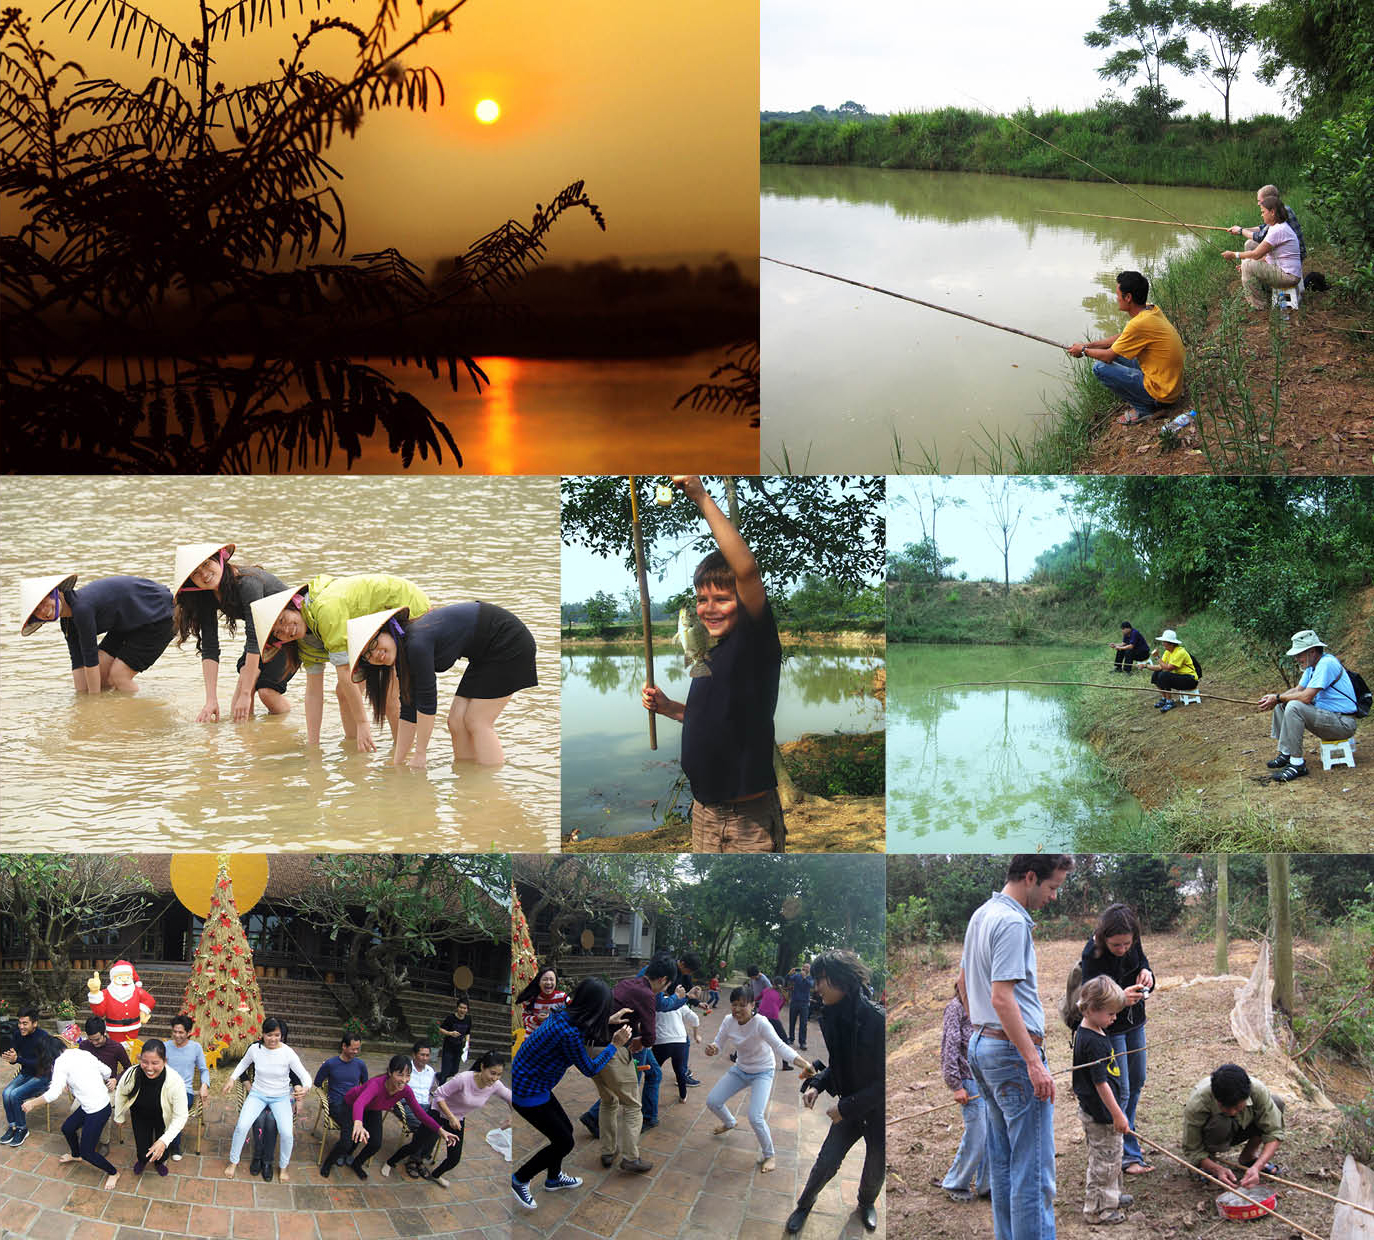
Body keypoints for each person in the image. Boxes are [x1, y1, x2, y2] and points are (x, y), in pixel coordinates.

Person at [641, 474, 786, 852]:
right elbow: (713, 719)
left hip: (748, 819)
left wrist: (701, 496)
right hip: (704, 814)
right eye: (701, 599)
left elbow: (747, 571)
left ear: (745, 601)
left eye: (722, 598)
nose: (708, 608)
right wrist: (669, 707)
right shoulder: (709, 655)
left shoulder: (754, 643)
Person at [963, 853, 1075, 1240]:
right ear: (1030, 877)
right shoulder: (1011, 922)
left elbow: (963, 984)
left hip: (983, 1047)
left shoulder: (983, 913)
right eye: (1052, 887)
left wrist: (981, 1035)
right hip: (1010, 1054)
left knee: (1006, 1160)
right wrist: (1033, 1061)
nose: (1054, 896)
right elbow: (1002, 998)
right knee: (1033, 1172)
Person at [250, 573, 430, 751]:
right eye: (278, 633)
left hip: (403, 606)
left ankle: (403, 757)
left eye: (282, 620)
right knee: (344, 693)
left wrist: (362, 723)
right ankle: (356, 750)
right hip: (370, 630)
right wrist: (313, 747)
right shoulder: (306, 640)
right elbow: (313, 692)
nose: (286, 629)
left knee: (391, 694)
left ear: (294, 604)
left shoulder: (325, 609)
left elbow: (345, 672)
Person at [348, 602, 537, 769]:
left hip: (508, 641)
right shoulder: (404, 656)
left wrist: (421, 754)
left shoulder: (416, 644)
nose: (375, 654)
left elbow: (427, 702)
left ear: (388, 630)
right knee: (456, 721)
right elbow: (409, 709)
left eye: (374, 643)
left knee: (477, 721)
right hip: (484, 654)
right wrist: (398, 763)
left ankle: (490, 788)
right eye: (367, 656)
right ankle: (468, 781)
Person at [509, 977, 634, 1209]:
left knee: (564, 1132)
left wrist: (607, 1020)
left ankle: (553, 1178)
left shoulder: (563, 1012)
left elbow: (582, 1026)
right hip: (527, 1092)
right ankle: (520, 1178)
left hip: (533, 1082)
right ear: (593, 1008)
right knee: (564, 1142)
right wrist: (614, 1044)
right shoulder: (569, 1034)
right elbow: (590, 1068)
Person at [785, 949, 884, 1235]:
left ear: (840, 979)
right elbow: (839, 1064)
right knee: (826, 1161)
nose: (816, 988)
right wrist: (818, 1084)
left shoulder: (878, 1021)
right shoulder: (830, 1016)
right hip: (850, 1109)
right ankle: (804, 1205)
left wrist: (845, 1107)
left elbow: (884, 1082)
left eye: (820, 981)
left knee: (876, 1166)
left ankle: (866, 1203)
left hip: (875, 1111)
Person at [170, 541, 295, 722]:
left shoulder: (247, 583)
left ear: (221, 558)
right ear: (191, 581)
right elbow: (210, 647)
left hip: (290, 631)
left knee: (266, 693)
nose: (204, 574)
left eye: (206, 564)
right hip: (265, 635)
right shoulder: (206, 596)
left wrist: (246, 693)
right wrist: (210, 700)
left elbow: (254, 639)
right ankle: (248, 742)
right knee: (240, 700)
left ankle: (289, 725)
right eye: (196, 573)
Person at [704, 986, 812, 1175]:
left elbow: (779, 1046)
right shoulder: (729, 1021)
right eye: (734, 1005)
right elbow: (719, 1043)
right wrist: (713, 1048)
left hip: (763, 1071)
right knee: (713, 1101)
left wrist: (803, 1063)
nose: (737, 1009)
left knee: (755, 1116)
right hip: (740, 1069)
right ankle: (730, 1122)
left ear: (753, 1005)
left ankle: (770, 1154)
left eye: (742, 1005)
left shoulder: (761, 1023)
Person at [1080, 904, 1155, 1175]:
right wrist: (1120, 998)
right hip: (1110, 1029)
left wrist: (1148, 977)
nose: (1123, 949)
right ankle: (1125, 1154)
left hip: (1135, 1023)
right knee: (1120, 1089)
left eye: (1127, 944)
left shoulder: (1132, 942)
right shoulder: (1093, 953)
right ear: (1103, 939)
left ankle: (1128, 1137)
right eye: (1116, 945)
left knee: (1137, 1081)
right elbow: (1090, 998)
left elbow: (1143, 965)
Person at [19, 572, 174, 692]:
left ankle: (137, 717)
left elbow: (90, 658)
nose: (44, 610)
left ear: (55, 593)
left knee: (119, 675)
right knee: (100, 677)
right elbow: (78, 662)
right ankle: (115, 707)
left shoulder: (81, 608)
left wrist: (94, 705)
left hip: (159, 615)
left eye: (43, 602)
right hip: (127, 622)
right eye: (37, 611)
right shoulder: (67, 622)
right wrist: (81, 699)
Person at [1067, 271, 1185, 426]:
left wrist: (1083, 352)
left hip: (1163, 394)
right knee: (1118, 354)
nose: (1116, 299)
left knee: (1100, 368)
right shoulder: (1151, 310)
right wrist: (1088, 345)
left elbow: (1108, 356)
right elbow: (1121, 338)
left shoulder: (1138, 324)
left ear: (1128, 298)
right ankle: (1148, 399)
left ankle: (1144, 408)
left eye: (1118, 295)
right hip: (1171, 385)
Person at [595, 954, 674, 1174]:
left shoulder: (627, 983)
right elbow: (650, 1035)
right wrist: (640, 1041)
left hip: (591, 1048)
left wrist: (637, 1037)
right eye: (666, 986)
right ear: (663, 979)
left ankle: (608, 1151)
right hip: (612, 1049)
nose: (662, 991)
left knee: (608, 1100)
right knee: (632, 1106)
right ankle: (631, 1157)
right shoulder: (646, 993)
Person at [1257, 629, 1361, 784]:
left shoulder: (1326, 664)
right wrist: (1276, 698)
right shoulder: (1313, 666)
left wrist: (1278, 697)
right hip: (1329, 718)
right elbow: (1298, 690)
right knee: (1283, 705)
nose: (1297, 659)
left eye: (1299, 654)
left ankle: (1297, 764)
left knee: (1294, 706)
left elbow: (1306, 697)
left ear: (1312, 652)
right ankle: (1286, 753)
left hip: (1343, 724)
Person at [331, 1053, 457, 1180]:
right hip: (351, 1104)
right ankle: (335, 1159)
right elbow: (360, 1103)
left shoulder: (406, 1090)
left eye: (408, 1075)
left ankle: (356, 1164)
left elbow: (420, 1114)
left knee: (375, 1143)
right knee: (348, 1139)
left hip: (373, 1109)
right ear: (390, 1072)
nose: (404, 1080)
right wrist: (358, 1122)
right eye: (400, 1074)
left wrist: (440, 1130)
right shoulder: (376, 1084)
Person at [1072, 977, 1134, 1225]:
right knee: (1105, 1162)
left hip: (1104, 1112)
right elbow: (1100, 1083)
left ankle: (1112, 1196)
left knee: (1112, 1157)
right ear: (1091, 1010)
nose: (1115, 1018)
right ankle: (1099, 1210)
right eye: (1110, 1013)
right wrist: (1117, 1114)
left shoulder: (1093, 1030)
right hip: (1101, 1114)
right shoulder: (1092, 1042)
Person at [223, 1017, 311, 1180]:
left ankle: (283, 1167)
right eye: (269, 1035)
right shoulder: (255, 1049)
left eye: (277, 1035)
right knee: (242, 1126)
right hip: (257, 1094)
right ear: (262, 1034)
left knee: (286, 1133)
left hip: (280, 1097)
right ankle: (233, 1162)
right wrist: (231, 1078)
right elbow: (243, 1064)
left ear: (282, 1036)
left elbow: (304, 1075)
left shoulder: (287, 1052)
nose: (273, 1039)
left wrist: (305, 1088)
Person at [22, 1043, 119, 1188]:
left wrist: (32, 1103)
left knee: (88, 1152)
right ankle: (75, 1155)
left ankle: (113, 1173)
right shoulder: (82, 1053)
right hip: (90, 1105)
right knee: (68, 1128)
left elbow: (53, 1094)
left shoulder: (60, 1063)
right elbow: (107, 1071)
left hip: (98, 1110)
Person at [1182, 1064, 1284, 1189]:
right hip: (1215, 1133)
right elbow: (1192, 1149)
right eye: (1225, 1107)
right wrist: (1217, 1169)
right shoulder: (1198, 1101)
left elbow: (1274, 1131)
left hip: (1241, 1128)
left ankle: (1248, 1157)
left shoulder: (1257, 1090)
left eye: (1237, 1107)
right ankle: (1207, 1162)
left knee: (1276, 1103)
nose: (1232, 1112)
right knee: (1222, 1122)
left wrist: (1258, 1166)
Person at [428, 1050, 512, 1187]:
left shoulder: (495, 1085)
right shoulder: (464, 1079)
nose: (495, 1078)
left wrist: (512, 1116)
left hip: (457, 1120)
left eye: (499, 1075)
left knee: (454, 1159)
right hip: (438, 1112)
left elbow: (511, 1097)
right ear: (482, 1067)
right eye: (492, 1073)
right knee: (422, 1144)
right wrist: (451, 1117)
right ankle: (410, 1161)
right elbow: (438, 1095)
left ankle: (435, 1175)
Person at [939, 975, 988, 1204]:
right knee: (977, 1134)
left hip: (989, 1079)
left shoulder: (985, 1005)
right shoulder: (955, 1008)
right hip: (969, 1080)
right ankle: (955, 1182)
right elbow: (949, 1047)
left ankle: (987, 1185)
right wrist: (956, 1085)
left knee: (993, 1135)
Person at [111, 1039, 189, 1177]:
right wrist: (119, 1115)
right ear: (139, 1058)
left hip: (163, 1116)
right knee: (141, 1141)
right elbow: (121, 1092)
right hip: (139, 1114)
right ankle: (142, 1160)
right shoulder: (132, 1073)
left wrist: (164, 1141)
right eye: (145, 1062)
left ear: (164, 1061)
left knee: (161, 1144)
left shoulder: (175, 1082)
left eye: (155, 1063)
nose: (149, 1068)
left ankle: (159, 1162)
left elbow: (181, 1116)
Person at [1221, 191, 1303, 310]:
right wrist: (1245, 264)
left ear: (1272, 212)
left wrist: (1234, 254)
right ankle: (1260, 300)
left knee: (1248, 265)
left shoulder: (1277, 230)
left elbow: (1256, 253)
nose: (1262, 215)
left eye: (1263, 212)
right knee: (1247, 265)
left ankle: (1259, 306)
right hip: (1289, 274)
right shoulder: (1278, 227)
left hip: (1288, 277)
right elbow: (1265, 257)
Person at [0, 1008, 54, 1147]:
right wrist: (12, 1059)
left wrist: (18, 1059)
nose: (21, 1026)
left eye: (25, 1023)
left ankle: (22, 1129)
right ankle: (13, 1126)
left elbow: (43, 1064)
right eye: (20, 1023)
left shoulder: (43, 1037)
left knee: (15, 1095)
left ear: (34, 1023)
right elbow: (16, 1057)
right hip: (26, 1073)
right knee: (6, 1093)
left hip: (42, 1077)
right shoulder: (18, 1034)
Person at [384, 1040, 438, 1179]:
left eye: (427, 1055)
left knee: (437, 1127)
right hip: (406, 1104)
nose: (425, 1058)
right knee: (423, 1128)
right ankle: (415, 1161)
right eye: (422, 1055)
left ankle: (418, 1158)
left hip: (425, 1105)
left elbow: (433, 1090)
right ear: (414, 1054)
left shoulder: (430, 1071)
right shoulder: (405, 1069)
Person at [313, 1033, 368, 1167]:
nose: (356, 1052)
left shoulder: (360, 1064)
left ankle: (347, 1151)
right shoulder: (331, 1064)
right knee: (353, 1122)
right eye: (353, 1049)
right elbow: (317, 1082)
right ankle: (343, 1151)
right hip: (336, 1103)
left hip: (354, 1103)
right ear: (344, 1046)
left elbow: (366, 1085)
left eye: (358, 1049)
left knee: (363, 1120)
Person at [164, 1014, 210, 1161]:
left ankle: (173, 1146)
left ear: (189, 1032)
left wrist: (204, 1085)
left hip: (185, 1091)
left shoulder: (195, 1048)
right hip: (165, 1088)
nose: (177, 1035)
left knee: (175, 1110)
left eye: (181, 1032)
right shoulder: (165, 1047)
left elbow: (204, 1069)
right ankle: (164, 1142)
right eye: (175, 1032)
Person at [1228, 183, 1307, 263]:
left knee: (1251, 246)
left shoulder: (1280, 212)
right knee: (1250, 243)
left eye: (1259, 200)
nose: (1258, 204)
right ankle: (1250, 269)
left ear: (1269, 199)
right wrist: (1241, 229)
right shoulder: (1281, 209)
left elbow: (1260, 237)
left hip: (1294, 255)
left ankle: (1250, 268)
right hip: (1286, 248)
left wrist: (1241, 231)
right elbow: (1263, 228)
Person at [1144, 629, 1198, 713]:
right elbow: (1160, 667)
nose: (1162, 644)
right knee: (1156, 674)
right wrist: (1145, 666)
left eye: (1164, 642)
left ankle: (1170, 701)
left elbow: (1168, 668)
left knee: (1164, 675)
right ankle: (1165, 698)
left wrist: (1157, 657)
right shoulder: (1168, 652)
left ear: (1171, 643)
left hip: (1190, 679)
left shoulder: (1180, 652)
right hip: (1180, 678)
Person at [516, 966, 568, 1034]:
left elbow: (573, 1011)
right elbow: (524, 1017)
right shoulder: (530, 998)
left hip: (554, 1036)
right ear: (539, 982)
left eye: (551, 979)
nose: (548, 982)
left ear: (556, 982)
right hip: (533, 1036)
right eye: (545, 979)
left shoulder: (563, 997)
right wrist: (537, 1019)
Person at [757, 982, 792, 1068]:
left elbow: (757, 998)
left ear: (772, 983)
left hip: (760, 1016)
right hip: (773, 1017)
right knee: (784, 1040)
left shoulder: (766, 990)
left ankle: (736, 1056)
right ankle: (785, 1064)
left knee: (751, 1034)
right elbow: (778, 1009)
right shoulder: (783, 995)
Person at [438, 998, 471, 1083]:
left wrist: (467, 1043)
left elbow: (468, 1033)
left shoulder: (468, 1019)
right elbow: (441, 1029)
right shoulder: (450, 1018)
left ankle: (438, 1075)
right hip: (448, 1046)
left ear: (467, 1009)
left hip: (459, 1047)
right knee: (445, 1070)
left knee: (454, 1071)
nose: (462, 1010)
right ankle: (440, 1091)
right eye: (461, 1007)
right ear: (457, 1007)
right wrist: (450, 1033)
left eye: (465, 1008)